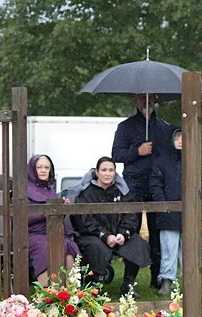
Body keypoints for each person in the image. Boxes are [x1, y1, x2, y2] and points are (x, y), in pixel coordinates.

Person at [111, 93, 172, 288]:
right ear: (134, 100)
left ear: (155, 99)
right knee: (132, 231)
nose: (145, 101)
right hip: (134, 184)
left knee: (158, 231)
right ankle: (128, 282)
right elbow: (116, 154)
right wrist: (137, 151)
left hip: (157, 186)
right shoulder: (125, 127)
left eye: (149, 97)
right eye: (141, 98)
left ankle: (157, 279)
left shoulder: (164, 127)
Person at [72, 157, 151, 297]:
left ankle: (128, 286)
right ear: (96, 172)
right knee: (97, 248)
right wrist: (105, 235)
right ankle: (95, 286)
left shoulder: (122, 192)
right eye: (104, 170)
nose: (107, 173)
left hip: (118, 235)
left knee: (138, 244)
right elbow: (84, 221)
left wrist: (123, 234)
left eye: (111, 170)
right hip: (93, 236)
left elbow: (131, 216)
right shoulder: (86, 193)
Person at [26, 154, 80, 283]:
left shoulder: (50, 189)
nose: (43, 170)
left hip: (53, 231)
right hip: (32, 234)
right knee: (45, 247)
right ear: (32, 170)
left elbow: (55, 216)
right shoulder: (23, 190)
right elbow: (24, 217)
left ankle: (71, 292)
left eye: (46, 167)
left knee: (68, 246)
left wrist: (62, 208)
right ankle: (48, 291)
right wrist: (47, 211)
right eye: (39, 167)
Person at [149, 127, 184, 297]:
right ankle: (166, 281)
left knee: (190, 250)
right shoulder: (161, 162)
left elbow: (198, 185)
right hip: (168, 213)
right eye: (177, 137)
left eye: (183, 137)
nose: (180, 141)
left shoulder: (193, 161)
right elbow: (155, 185)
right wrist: (164, 206)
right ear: (171, 140)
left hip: (188, 212)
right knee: (169, 248)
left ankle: (190, 282)